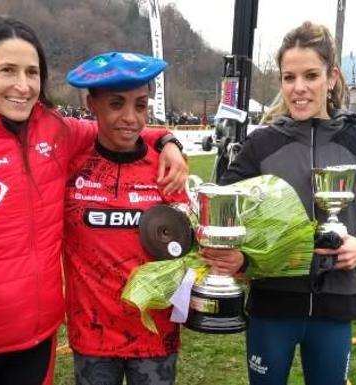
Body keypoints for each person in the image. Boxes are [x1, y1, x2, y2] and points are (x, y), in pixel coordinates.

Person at [0, 16, 186, 385]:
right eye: (7, 70)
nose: (22, 86)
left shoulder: (54, 131)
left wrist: (167, 141)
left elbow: (119, 128)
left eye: (32, 72)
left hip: (37, 339)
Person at [203, 21, 356, 385]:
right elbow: (227, 213)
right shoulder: (261, 145)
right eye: (288, 77)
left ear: (332, 77)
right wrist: (241, 259)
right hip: (271, 307)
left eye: (310, 75)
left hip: (335, 307)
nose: (299, 88)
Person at [62, 52, 220, 385]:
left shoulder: (166, 169)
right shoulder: (70, 164)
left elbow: (186, 251)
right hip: (92, 335)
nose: (131, 118)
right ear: (92, 104)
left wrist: (169, 141)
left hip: (154, 336)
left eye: (141, 105)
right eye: (116, 104)